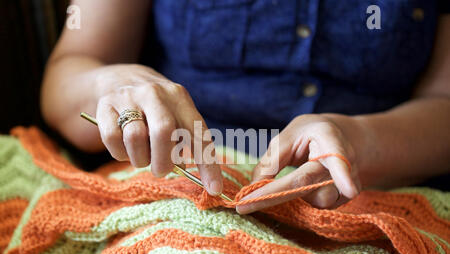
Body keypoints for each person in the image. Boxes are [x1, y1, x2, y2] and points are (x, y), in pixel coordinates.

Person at [41, 0, 450, 214]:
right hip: (164, 187)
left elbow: (443, 105)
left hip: (378, 192)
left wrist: (357, 142)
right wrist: (116, 86)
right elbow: (65, 79)